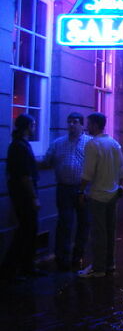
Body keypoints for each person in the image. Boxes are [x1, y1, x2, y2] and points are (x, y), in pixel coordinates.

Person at [78, 112, 123, 279]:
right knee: (110, 230)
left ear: (95, 125)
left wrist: (80, 190)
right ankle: (109, 264)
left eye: (89, 124)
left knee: (98, 232)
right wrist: (118, 185)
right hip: (113, 194)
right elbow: (122, 170)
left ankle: (98, 268)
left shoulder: (93, 145)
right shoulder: (114, 144)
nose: (87, 127)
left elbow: (88, 173)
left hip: (98, 195)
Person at [43, 112, 91, 271]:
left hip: (82, 189)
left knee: (83, 223)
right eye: (69, 122)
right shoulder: (58, 143)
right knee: (65, 223)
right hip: (64, 188)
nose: (71, 125)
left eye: (75, 122)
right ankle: (62, 258)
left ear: (82, 125)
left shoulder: (89, 143)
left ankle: (78, 255)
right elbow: (47, 160)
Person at [0, 114, 45, 279]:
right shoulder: (20, 146)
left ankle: (27, 266)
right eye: (33, 125)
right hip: (24, 196)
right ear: (27, 127)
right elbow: (25, 176)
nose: (35, 128)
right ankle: (10, 269)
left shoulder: (19, 144)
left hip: (21, 193)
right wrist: (34, 197)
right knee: (26, 231)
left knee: (28, 230)